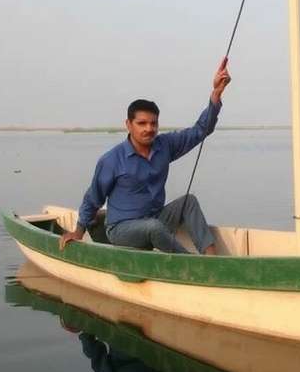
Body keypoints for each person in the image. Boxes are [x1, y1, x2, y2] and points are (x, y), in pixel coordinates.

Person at [59, 58, 231, 255]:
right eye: (142, 123)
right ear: (128, 124)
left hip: (155, 219)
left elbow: (201, 130)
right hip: (121, 230)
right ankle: (190, 264)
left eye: (153, 123)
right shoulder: (112, 160)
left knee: (188, 202)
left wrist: (216, 93)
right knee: (153, 227)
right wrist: (78, 232)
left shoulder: (165, 145)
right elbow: (93, 198)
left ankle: (212, 260)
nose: (149, 129)